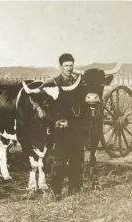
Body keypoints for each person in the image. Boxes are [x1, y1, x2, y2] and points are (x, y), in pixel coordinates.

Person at [50, 53, 84, 199]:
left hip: (75, 128)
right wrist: (54, 122)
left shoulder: (78, 82)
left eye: (71, 65)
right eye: (66, 66)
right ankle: (56, 190)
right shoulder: (54, 83)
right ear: (61, 66)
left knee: (76, 159)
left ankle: (74, 188)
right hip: (61, 128)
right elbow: (47, 107)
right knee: (60, 160)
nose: (69, 68)